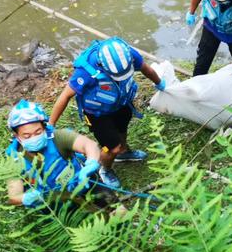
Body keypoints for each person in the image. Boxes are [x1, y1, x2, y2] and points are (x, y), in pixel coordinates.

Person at [49, 37, 165, 188]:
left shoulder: (128, 55)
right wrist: (50, 124)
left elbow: (146, 69)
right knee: (111, 147)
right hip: (97, 114)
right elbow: (65, 96)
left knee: (122, 131)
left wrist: (160, 83)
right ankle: (105, 169)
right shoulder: (85, 72)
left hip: (121, 104)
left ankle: (123, 152)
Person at [6, 99, 101, 207]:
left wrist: (91, 163)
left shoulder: (58, 137)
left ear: (44, 127)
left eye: (38, 132)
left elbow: (90, 145)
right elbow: (14, 197)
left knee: (118, 211)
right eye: (27, 136)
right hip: (53, 203)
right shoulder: (15, 159)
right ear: (17, 136)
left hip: (83, 183)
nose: (34, 138)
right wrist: (26, 198)